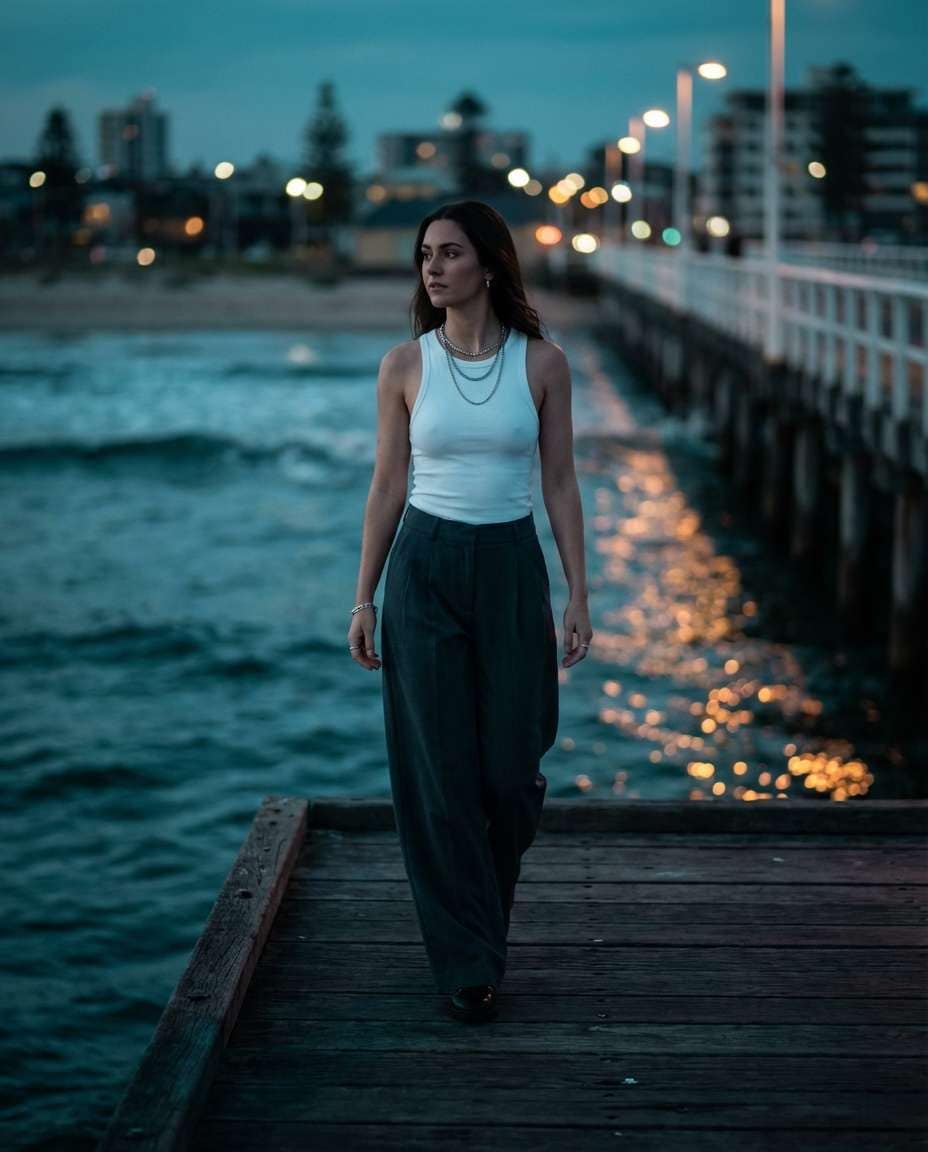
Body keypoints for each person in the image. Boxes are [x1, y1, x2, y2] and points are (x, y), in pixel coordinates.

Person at [348, 200, 592, 1023]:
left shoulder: (544, 364)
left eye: (449, 253)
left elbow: (560, 482)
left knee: (510, 773)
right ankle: (468, 965)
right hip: (424, 569)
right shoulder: (403, 366)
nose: (432, 267)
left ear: (488, 264)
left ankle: (477, 922)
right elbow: (386, 486)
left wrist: (578, 592)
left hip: (512, 569)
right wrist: (363, 596)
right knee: (437, 778)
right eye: (424, 255)